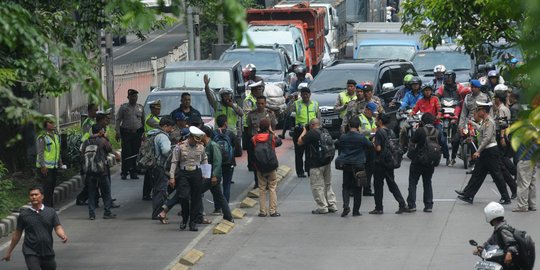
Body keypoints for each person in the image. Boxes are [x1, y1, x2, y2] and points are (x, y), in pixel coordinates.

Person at [455, 101, 512, 205]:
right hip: (486, 152)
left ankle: (506, 197)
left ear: (484, 111)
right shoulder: (485, 121)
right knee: (477, 174)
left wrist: (478, 151)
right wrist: (472, 123)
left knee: (497, 175)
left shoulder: (489, 122)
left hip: (490, 151)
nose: (477, 112)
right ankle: (468, 195)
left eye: (479, 110)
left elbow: (487, 138)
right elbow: (481, 129)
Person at [2, 186, 68, 269]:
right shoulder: (24, 215)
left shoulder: (51, 212)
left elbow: (57, 227)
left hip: (47, 250)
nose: (33, 197)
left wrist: (62, 235)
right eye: (31, 195)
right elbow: (17, 234)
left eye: (36, 194)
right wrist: (9, 251)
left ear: (42, 196)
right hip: (30, 251)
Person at [168, 126, 207, 231]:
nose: (196, 142)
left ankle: (192, 222)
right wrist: (172, 177)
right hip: (184, 173)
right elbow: (174, 161)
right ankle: (185, 219)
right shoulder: (180, 147)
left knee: (196, 198)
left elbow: (204, 160)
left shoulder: (201, 147)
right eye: (195, 139)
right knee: (183, 197)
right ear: (190, 137)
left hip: (196, 173)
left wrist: (205, 174)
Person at [370, 113, 408, 215]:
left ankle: (379, 207)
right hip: (389, 161)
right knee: (392, 184)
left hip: (380, 162)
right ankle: (402, 204)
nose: (375, 120)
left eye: (377, 119)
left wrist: (372, 142)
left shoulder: (379, 132)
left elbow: (378, 148)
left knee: (378, 185)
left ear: (380, 121)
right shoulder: (391, 132)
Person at [297, 118, 338, 214]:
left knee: (317, 186)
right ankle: (332, 205)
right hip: (327, 161)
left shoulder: (311, 133)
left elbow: (299, 142)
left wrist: (304, 131)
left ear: (311, 125)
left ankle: (322, 207)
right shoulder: (325, 131)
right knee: (327, 184)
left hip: (316, 164)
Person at [335, 117, 373, 217]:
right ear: (359, 126)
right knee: (358, 188)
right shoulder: (361, 138)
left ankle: (346, 206)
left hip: (346, 164)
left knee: (346, 187)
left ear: (349, 126)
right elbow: (370, 146)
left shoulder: (343, 137)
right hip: (359, 165)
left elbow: (340, 148)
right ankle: (356, 211)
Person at [81, 124, 118, 220]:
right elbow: (110, 149)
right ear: (100, 131)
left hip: (90, 171)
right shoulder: (102, 141)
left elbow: (82, 154)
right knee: (106, 192)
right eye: (103, 130)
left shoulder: (86, 142)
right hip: (102, 171)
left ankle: (91, 214)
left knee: (92, 193)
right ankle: (107, 212)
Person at [199, 125, 234, 222]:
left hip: (212, 176)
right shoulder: (205, 145)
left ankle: (199, 215)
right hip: (208, 175)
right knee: (219, 196)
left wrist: (214, 175)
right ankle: (228, 216)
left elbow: (217, 162)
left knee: (197, 192)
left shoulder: (213, 145)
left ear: (204, 134)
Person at [436, 70, 470, 167]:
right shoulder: (442, 87)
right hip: (445, 110)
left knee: (458, 136)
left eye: (450, 77)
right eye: (447, 77)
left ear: (454, 78)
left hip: (457, 112)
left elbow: (464, 95)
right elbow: (437, 96)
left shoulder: (459, 87)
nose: (448, 79)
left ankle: (455, 156)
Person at [285, 87, 320, 178]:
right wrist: (292, 101)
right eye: (303, 94)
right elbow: (288, 112)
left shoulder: (315, 104)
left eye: (306, 94)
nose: (305, 96)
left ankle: (309, 170)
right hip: (299, 130)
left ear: (310, 94)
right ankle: (300, 172)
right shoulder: (296, 104)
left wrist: (319, 128)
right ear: (301, 95)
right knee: (299, 152)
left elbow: (318, 117)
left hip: (311, 131)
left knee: (310, 152)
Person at [410, 84, 449, 166]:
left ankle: (447, 157)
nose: (427, 92)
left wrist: (438, 115)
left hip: (435, 123)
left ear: (431, 91)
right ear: (423, 92)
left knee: (442, 139)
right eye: (425, 90)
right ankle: (413, 155)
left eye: (429, 90)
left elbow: (439, 109)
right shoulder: (420, 101)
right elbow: (414, 110)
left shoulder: (435, 99)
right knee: (414, 135)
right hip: (423, 124)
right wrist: (411, 113)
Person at [406, 113, 438, 213]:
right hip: (430, 161)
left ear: (422, 121)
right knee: (427, 182)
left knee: (413, 182)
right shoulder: (437, 131)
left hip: (418, 160)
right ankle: (428, 205)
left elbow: (412, 142)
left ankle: (412, 205)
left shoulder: (420, 131)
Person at [252, 118, 283, 217]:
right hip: (271, 166)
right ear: (268, 127)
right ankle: (273, 211)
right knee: (272, 188)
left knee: (261, 189)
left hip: (260, 166)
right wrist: (272, 131)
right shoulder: (271, 137)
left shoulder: (254, 138)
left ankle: (262, 211)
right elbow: (279, 142)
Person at [476, 202, 520, 269]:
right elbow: (490, 241)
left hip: (510, 260)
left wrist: (509, 253)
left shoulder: (503, 229)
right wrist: (481, 247)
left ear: (491, 215)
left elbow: (512, 243)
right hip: (503, 257)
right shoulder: (498, 228)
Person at [246, 96, 277, 188]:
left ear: (265, 103)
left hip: (267, 142)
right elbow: (249, 128)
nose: (260, 105)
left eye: (262, 103)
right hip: (256, 142)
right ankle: (257, 182)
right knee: (256, 163)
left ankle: (268, 182)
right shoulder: (251, 114)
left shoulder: (270, 114)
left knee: (268, 162)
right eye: (258, 103)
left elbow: (273, 128)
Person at [148, 117, 174, 221]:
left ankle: (157, 212)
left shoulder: (154, 134)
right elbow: (165, 151)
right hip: (160, 166)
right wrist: (174, 150)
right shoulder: (163, 137)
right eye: (171, 127)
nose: (172, 130)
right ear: (165, 126)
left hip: (154, 166)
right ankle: (157, 213)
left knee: (157, 190)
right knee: (161, 190)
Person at [115, 88, 144, 180]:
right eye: (132, 96)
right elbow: (118, 120)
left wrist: (144, 133)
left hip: (137, 134)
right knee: (126, 153)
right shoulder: (124, 107)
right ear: (128, 97)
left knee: (135, 153)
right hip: (126, 133)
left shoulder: (140, 107)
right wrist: (117, 132)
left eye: (135, 96)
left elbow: (143, 121)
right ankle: (124, 172)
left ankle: (134, 172)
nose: (134, 98)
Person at [36, 115, 63, 208]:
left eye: (53, 122)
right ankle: (46, 207)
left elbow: (57, 150)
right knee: (47, 188)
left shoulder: (55, 135)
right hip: (46, 167)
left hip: (54, 167)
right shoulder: (42, 137)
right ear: (45, 124)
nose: (52, 124)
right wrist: (43, 166)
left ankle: (50, 206)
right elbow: (40, 153)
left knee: (52, 187)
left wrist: (60, 162)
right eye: (50, 122)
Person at [494, 92, 517, 199]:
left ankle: (515, 172)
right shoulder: (505, 108)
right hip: (504, 135)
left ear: (498, 99)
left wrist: (502, 137)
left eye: (495, 98)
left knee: (503, 158)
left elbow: (503, 124)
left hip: (502, 136)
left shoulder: (502, 109)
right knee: (502, 158)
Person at [213, 115, 237, 204]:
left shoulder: (213, 134)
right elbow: (237, 149)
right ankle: (225, 206)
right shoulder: (230, 134)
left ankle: (217, 207)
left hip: (216, 163)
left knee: (216, 185)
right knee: (226, 185)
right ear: (225, 123)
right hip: (229, 162)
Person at [142, 99, 162, 201]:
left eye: (159, 108)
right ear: (151, 109)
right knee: (150, 171)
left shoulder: (156, 117)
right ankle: (146, 194)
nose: (158, 110)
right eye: (156, 108)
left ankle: (151, 192)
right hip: (150, 147)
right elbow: (161, 127)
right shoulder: (150, 119)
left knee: (153, 171)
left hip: (155, 146)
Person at [358, 103, 378, 196]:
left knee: (370, 169)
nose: (372, 114)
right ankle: (356, 188)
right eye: (371, 112)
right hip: (362, 146)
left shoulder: (373, 119)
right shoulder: (359, 118)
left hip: (371, 146)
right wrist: (371, 132)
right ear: (367, 110)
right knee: (361, 168)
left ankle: (367, 189)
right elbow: (358, 131)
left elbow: (376, 130)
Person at [512, 144, 538, 212]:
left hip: (524, 159)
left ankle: (522, 206)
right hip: (534, 158)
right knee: (532, 183)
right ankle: (532, 205)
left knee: (523, 184)